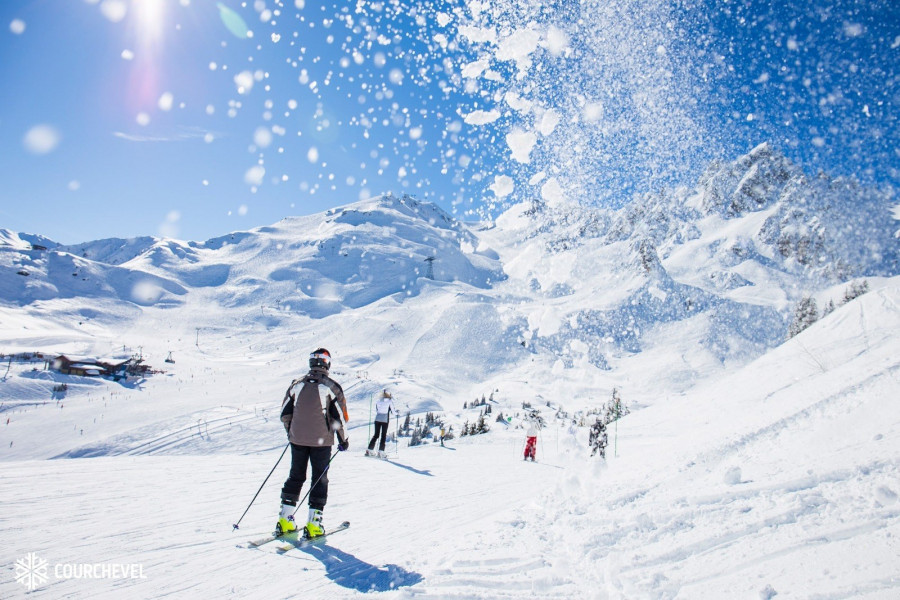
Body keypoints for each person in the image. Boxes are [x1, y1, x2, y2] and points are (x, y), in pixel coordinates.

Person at [277, 348, 349, 538]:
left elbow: (285, 414)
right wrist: (344, 440)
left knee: (296, 475)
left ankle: (285, 519)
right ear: (327, 364)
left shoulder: (296, 385)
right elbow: (339, 418)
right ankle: (314, 523)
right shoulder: (331, 387)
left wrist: (291, 433)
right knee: (319, 478)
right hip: (321, 442)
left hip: (297, 440)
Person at [367, 389, 395, 458]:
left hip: (377, 419)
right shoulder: (389, 401)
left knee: (376, 435)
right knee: (383, 435)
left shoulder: (378, 401)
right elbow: (393, 411)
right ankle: (381, 451)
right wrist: (397, 413)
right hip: (385, 420)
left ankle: (370, 449)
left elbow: (377, 410)